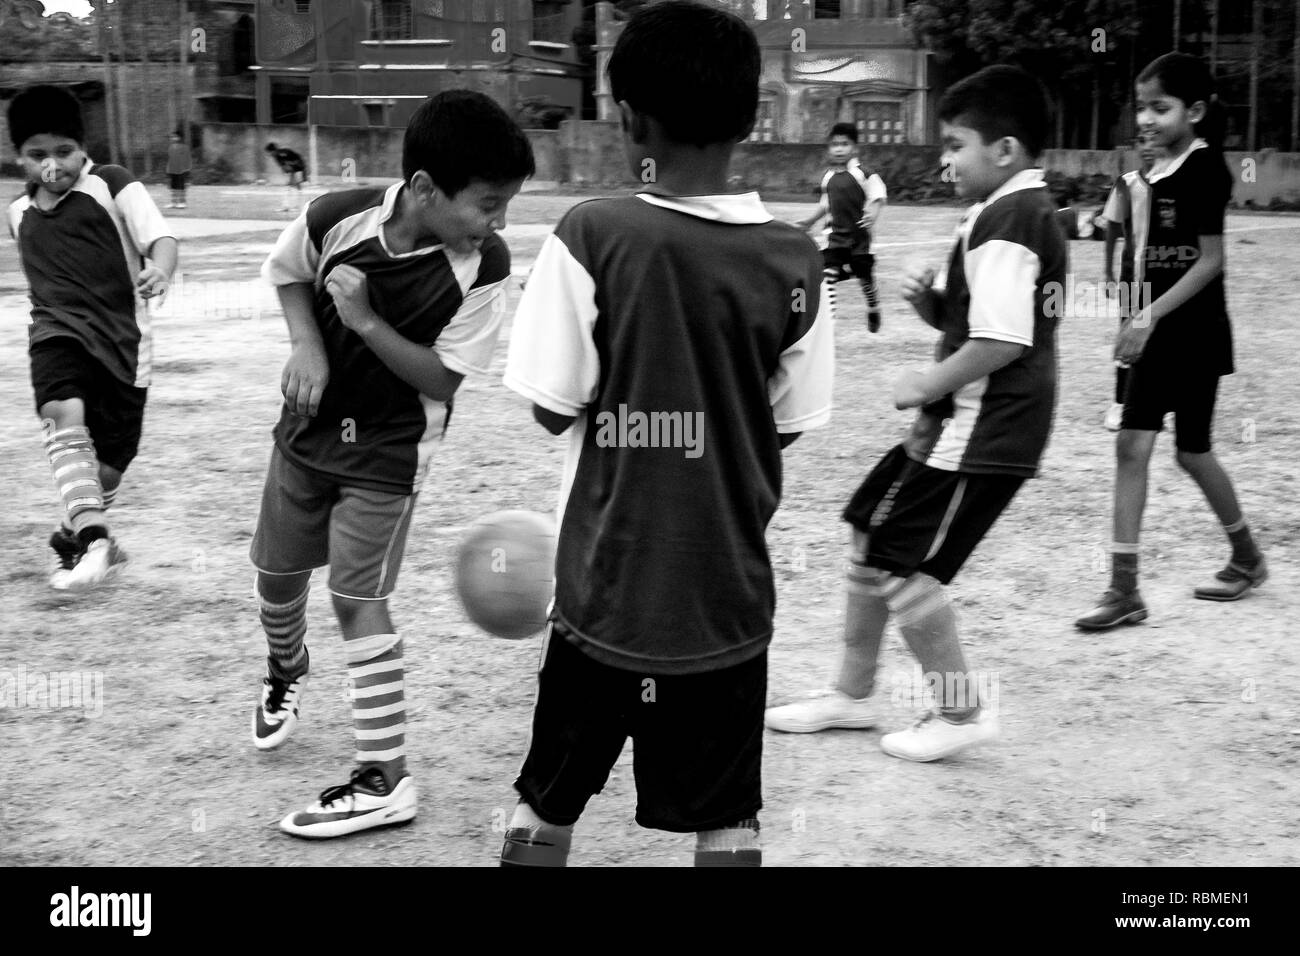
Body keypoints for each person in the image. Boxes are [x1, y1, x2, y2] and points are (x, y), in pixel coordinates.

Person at [499, 0, 833, 866]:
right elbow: (786, 427)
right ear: (752, 118)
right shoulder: (798, 261)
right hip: (726, 601)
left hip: (603, 591)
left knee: (547, 802)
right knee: (727, 817)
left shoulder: (592, 235)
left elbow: (549, 405)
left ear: (629, 121)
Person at [251, 90, 533, 838]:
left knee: (356, 597)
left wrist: (366, 320)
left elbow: (443, 379)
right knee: (277, 581)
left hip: (390, 451)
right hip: (305, 436)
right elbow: (285, 274)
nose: (498, 221)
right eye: (487, 204)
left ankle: (384, 777)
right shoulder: (333, 217)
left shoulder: (484, 268)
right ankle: (286, 670)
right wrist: (308, 344)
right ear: (422, 190)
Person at [765, 65, 1065, 762]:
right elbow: (994, 322)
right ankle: (851, 691)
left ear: (1006, 150)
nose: (945, 159)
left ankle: (960, 713)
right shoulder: (1007, 208)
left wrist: (925, 380)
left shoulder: (1012, 215)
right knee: (870, 530)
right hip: (954, 424)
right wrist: (935, 307)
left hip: (980, 429)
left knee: (902, 561)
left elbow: (1004, 341)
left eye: (956, 144)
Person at [1075, 52, 1266, 630]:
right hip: (1158, 330)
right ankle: (1225, 564)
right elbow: (1145, 258)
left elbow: (1210, 262)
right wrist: (1130, 314)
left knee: (1188, 451)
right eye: (1141, 107)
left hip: (1195, 334)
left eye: (1161, 107)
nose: (1147, 118)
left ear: (1197, 111)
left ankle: (1236, 558)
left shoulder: (1206, 170)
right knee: (1141, 446)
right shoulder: (1148, 174)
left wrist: (1147, 317)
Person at [5, 85, 177, 590]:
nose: (51, 166)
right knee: (62, 414)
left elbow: (160, 238)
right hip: (56, 334)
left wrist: (160, 270)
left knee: (110, 468)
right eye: (38, 155)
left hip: (124, 346)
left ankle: (73, 535)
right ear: (19, 158)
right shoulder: (18, 214)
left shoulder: (114, 184)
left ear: (83, 149)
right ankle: (96, 541)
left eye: (63, 152)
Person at [795, 122, 887, 331]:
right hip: (833, 237)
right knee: (828, 276)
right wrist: (810, 221)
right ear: (829, 148)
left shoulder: (863, 173)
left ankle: (873, 307)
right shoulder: (828, 178)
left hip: (859, 239)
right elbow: (825, 205)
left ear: (854, 148)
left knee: (865, 278)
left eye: (844, 144)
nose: (838, 149)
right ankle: (829, 323)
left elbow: (878, 195)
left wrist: (873, 212)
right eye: (834, 144)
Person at [1098, 136, 1160, 431]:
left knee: (1161, 337)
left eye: (1154, 141)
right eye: (1142, 142)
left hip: (1165, 274)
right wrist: (1108, 269)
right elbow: (1112, 225)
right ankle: (1120, 403)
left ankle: (1158, 404)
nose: (1148, 147)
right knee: (1128, 332)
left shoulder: (1175, 184)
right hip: (1132, 275)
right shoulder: (1126, 184)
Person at [264, 141, 307, 212]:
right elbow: (283, 166)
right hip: (292, 170)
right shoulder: (276, 156)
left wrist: (293, 171)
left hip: (298, 168)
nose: (269, 154)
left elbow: (297, 161)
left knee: (297, 187)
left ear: (273, 150)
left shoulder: (284, 152)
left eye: (269, 152)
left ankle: (298, 206)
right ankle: (286, 206)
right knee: (289, 187)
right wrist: (287, 173)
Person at [166, 131, 192, 209]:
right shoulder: (170, 148)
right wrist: (168, 170)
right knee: (173, 188)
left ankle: (182, 203)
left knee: (181, 187)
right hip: (172, 171)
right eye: (172, 137)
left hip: (181, 171)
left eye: (175, 137)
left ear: (179, 138)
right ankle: (173, 203)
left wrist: (187, 170)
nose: (173, 138)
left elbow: (188, 159)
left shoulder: (185, 147)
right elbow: (170, 159)